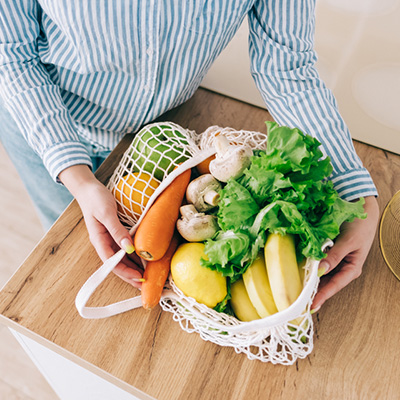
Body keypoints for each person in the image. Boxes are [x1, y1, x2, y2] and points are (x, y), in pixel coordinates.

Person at [0, 1, 379, 311]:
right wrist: (78, 179)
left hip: (169, 135)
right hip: (53, 129)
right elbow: (12, 55)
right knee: (77, 256)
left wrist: (353, 189)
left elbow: (287, 70)